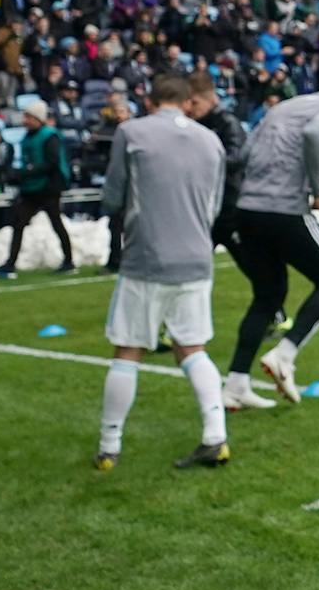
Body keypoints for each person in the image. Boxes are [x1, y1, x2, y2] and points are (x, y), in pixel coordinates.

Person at [94, 75, 232, 471]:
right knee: (192, 347)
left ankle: (109, 445)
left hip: (147, 256)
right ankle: (215, 436)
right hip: (196, 257)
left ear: (149, 98)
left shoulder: (131, 132)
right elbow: (215, 205)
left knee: (128, 349)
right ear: (188, 102)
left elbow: (114, 195)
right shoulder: (211, 140)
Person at [223, 65, 319, 408]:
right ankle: (285, 355)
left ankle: (235, 385)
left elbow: (243, 153)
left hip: (248, 208)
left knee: (268, 296)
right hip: (283, 208)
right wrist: (317, 189)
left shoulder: (284, 106)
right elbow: (316, 135)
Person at [0, 101, 75, 278]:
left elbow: (50, 162)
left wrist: (27, 172)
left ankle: (69, 260)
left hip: (47, 188)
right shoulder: (29, 136)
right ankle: (10, 263)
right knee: (19, 222)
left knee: (55, 223)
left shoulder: (49, 136)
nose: (25, 120)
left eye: (28, 117)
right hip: (32, 189)